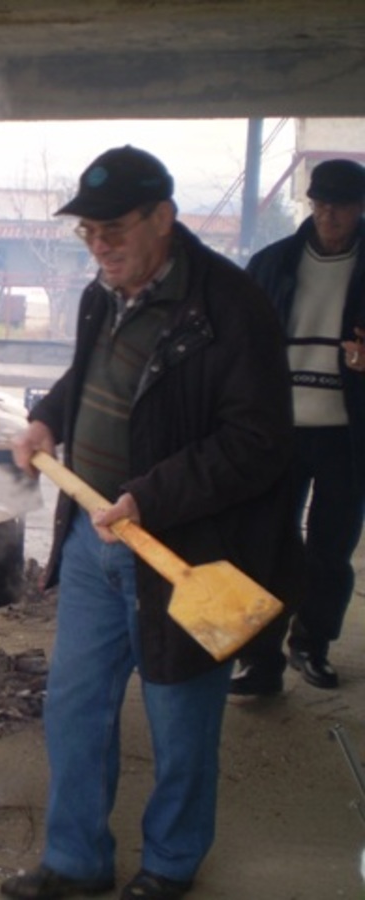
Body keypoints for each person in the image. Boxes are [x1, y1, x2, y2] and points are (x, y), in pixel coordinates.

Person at [2, 146, 298, 900]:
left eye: (113, 230)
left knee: (181, 722)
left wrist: (152, 498)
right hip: (94, 539)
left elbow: (258, 444)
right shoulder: (104, 294)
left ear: (163, 218)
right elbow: (94, 376)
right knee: (74, 707)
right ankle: (76, 861)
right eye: (88, 233)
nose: (99, 246)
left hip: (181, 552)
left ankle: (168, 867)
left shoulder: (232, 309)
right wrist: (45, 418)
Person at [229, 158, 365, 696]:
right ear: (309, 203)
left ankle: (313, 644)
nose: (329, 214)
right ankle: (260, 660)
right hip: (277, 434)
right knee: (265, 544)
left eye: (341, 205)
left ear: (359, 208)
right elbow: (235, 340)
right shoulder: (272, 264)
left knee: (330, 550)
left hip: (348, 438)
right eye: (321, 203)